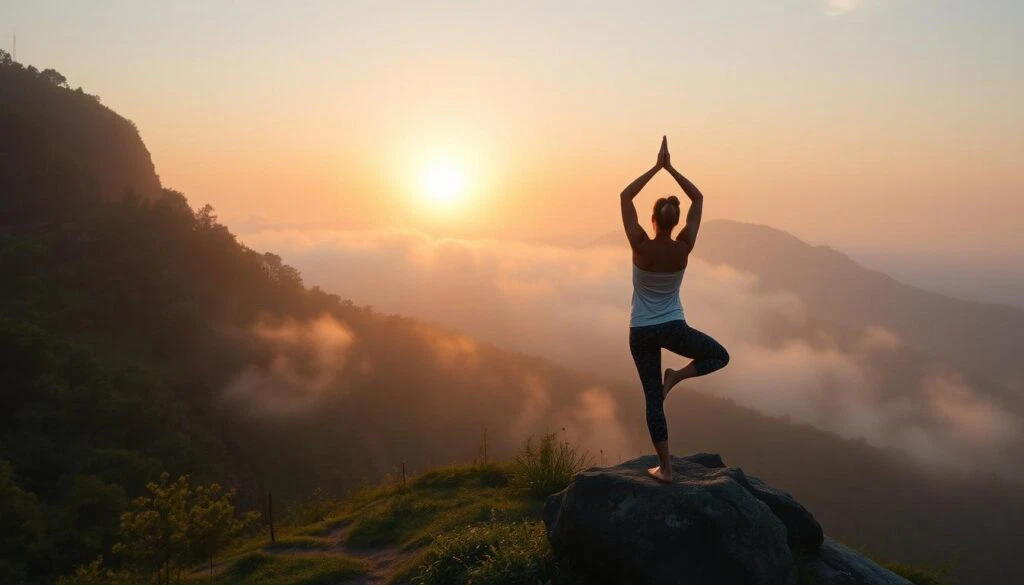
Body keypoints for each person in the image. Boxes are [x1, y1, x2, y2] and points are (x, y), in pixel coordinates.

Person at [620, 136, 730, 483]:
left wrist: (656, 167)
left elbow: (625, 197)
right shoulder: (684, 246)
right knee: (719, 356)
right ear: (676, 222)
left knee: (653, 399)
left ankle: (665, 468)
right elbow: (698, 198)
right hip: (672, 327)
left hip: (641, 331)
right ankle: (678, 376)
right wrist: (672, 168)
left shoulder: (639, 245)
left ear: (652, 220)